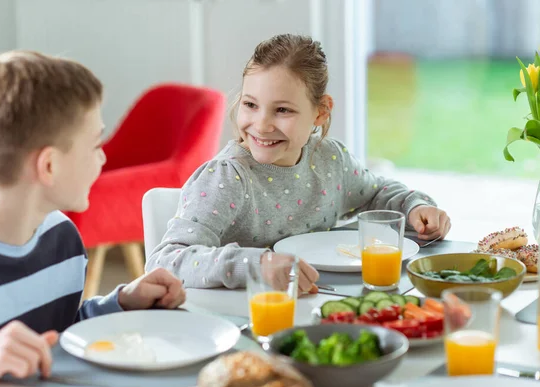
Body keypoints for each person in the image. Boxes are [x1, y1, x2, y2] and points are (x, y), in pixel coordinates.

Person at [0, 51, 185, 387]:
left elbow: (61, 332)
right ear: (50, 166)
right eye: (95, 144)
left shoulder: (63, 238)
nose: (103, 157)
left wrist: (121, 303)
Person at [145, 33, 450, 292]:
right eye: (250, 105)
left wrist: (415, 208)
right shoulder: (228, 177)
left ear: (320, 112)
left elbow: (377, 195)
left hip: (317, 304)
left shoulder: (331, 160)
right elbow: (166, 261)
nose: (261, 125)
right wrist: (254, 266)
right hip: (241, 320)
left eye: (283, 110)